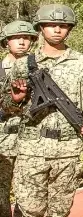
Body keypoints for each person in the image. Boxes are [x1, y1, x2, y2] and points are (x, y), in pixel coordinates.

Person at [5, 4, 83, 217]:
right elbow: (7, 108)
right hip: (31, 150)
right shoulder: (23, 64)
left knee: (60, 212)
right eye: (51, 25)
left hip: (68, 149)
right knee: (30, 211)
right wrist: (16, 100)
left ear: (70, 29)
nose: (57, 29)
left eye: (63, 25)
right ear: (40, 28)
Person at [0, 20, 35, 217]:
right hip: (2, 141)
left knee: (28, 196)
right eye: (16, 38)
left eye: (26, 38)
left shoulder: (37, 70)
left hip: (30, 141)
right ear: (6, 42)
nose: (22, 42)